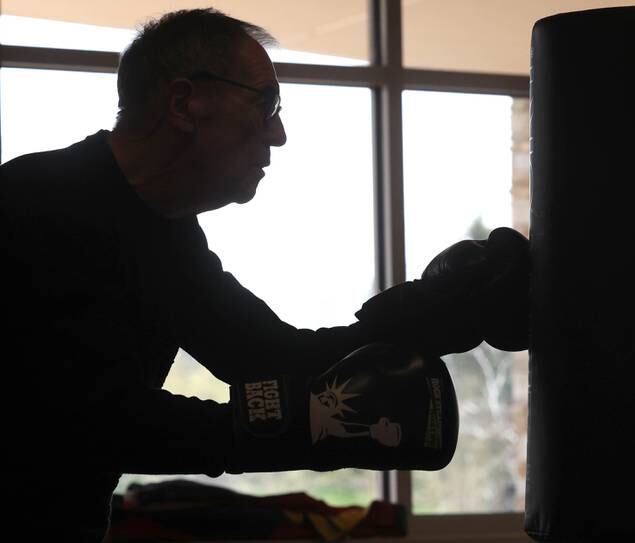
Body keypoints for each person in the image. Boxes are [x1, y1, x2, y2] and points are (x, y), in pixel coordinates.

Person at [0, 8, 528, 541]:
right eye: (265, 104)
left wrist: (434, 316)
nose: (277, 133)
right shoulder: (38, 204)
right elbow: (103, 423)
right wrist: (310, 425)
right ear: (186, 103)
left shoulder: (166, 232)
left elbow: (263, 357)